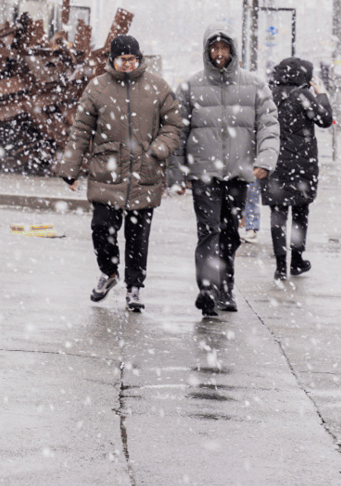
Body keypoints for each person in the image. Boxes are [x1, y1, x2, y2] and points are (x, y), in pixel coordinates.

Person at [55, 35, 182, 313]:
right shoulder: (98, 88)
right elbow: (80, 131)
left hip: (145, 174)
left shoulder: (157, 87)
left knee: (138, 237)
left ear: (139, 59)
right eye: (123, 59)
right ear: (112, 59)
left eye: (133, 59)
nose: (128, 64)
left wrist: (158, 149)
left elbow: (173, 125)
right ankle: (109, 273)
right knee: (102, 229)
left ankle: (134, 288)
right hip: (107, 172)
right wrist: (70, 169)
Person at [171, 25, 280, 317]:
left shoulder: (254, 86)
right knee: (209, 231)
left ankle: (226, 288)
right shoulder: (191, 86)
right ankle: (207, 289)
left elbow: (269, 126)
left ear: (233, 50)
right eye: (214, 48)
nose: (219, 54)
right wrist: (177, 173)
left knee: (230, 234)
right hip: (203, 173)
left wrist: (265, 160)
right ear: (207, 51)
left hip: (238, 173)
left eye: (224, 48)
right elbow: (177, 131)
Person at [264, 57, 333, 280]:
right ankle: (296, 260)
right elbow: (324, 119)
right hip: (302, 165)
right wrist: (321, 94)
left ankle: (280, 265)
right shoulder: (303, 95)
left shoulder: (268, 94)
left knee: (278, 214)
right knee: (300, 213)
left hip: (274, 161)